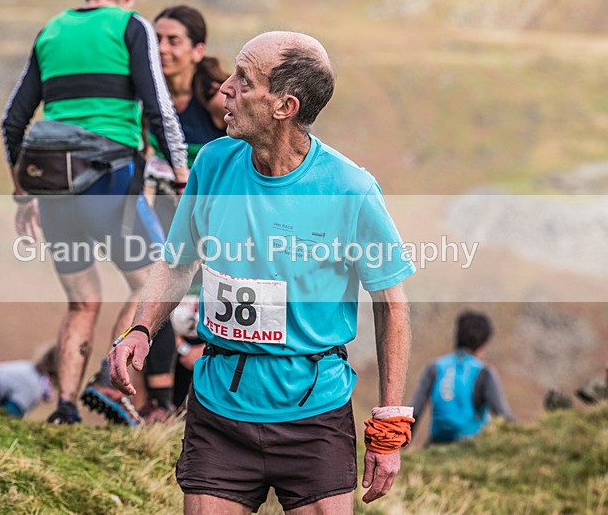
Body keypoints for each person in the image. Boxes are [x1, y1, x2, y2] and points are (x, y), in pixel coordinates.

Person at [109, 31, 417, 513]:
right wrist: (142, 328)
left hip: (314, 414)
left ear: (284, 106)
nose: (224, 88)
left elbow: (392, 305)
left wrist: (389, 424)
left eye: (244, 80)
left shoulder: (350, 189)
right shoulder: (213, 163)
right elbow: (177, 260)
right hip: (219, 409)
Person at [0, 0, 188, 425]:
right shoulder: (130, 26)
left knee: (82, 301)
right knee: (157, 279)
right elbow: (159, 107)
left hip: (52, 187)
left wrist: (23, 194)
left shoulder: (51, 30)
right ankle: (108, 376)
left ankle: (65, 408)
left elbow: (12, 121)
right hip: (110, 177)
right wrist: (182, 174)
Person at [148, 4, 228, 409]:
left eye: (173, 40)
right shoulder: (147, 98)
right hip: (166, 221)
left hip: (214, 228)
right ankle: (156, 410)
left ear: (197, 50)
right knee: (154, 299)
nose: (162, 48)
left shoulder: (215, 99)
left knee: (202, 322)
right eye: (156, 39)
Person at [408, 311, 515, 444]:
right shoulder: (484, 372)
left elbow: (414, 412)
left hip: (436, 442)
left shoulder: (434, 367)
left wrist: (399, 448)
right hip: (471, 444)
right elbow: (503, 415)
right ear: (483, 344)